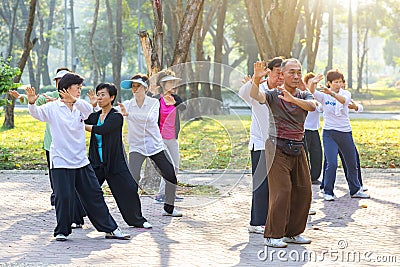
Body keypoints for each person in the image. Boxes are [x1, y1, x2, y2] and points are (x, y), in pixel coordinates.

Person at [27, 73, 130, 241]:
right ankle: (62, 230)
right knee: (64, 196)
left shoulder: (80, 107)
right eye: (77, 87)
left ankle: (111, 229)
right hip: (60, 160)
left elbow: (90, 110)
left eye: (80, 88)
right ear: (66, 89)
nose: (79, 91)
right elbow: (37, 113)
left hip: (81, 160)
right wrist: (31, 102)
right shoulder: (53, 108)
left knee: (95, 194)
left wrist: (74, 101)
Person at [250, 59, 316, 248]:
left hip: (298, 146)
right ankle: (272, 235)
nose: (296, 76)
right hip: (276, 147)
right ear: (282, 75)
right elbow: (257, 96)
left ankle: (292, 233)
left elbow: (312, 106)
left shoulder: (304, 94)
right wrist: (256, 79)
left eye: (298, 72)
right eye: (291, 72)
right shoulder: (273, 94)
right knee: (282, 191)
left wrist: (293, 99)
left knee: (304, 191)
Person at [9, 68, 86, 228]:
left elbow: (90, 111)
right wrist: (26, 99)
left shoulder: (78, 103)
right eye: (58, 81)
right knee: (60, 186)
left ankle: (77, 217)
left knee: (77, 187)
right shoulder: (50, 100)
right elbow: (36, 106)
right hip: (53, 147)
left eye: (63, 80)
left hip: (76, 155)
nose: (60, 84)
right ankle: (62, 217)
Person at [84, 82, 152, 229]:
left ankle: (137, 220)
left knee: (128, 188)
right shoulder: (95, 115)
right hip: (96, 162)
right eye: (98, 94)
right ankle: (75, 218)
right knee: (84, 189)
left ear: (112, 97)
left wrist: (82, 126)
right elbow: (80, 118)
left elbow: (101, 130)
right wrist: (92, 106)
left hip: (114, 163)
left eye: (103, 95)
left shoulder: (116, 116)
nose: (100, 97)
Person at [119, 74, 182, 217]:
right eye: (133, 87)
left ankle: (169, 209)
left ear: (145, 88)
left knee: (170, 176)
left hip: (154, 146)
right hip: (137, 147)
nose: (135, 89)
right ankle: (133, 213)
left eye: (138, 86)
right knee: (133, 179)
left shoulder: (154, 103)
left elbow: (150, 119)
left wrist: (129, 115)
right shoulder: (128, 104)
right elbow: (113, 113)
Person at [238, 57, 283, 235]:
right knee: (261, 184)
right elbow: (244, 93)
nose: (280, 76)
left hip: (281, 145)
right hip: (261, 144)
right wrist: (255, 78)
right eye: (277, 72)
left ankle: (276, 218)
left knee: (279, 185)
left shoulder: (285, 91)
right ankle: (257, 222)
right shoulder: (260, 89)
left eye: (283, 73)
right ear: (269, 72)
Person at [309, 71, 370, 201]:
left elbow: (344, 101)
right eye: (335, 82)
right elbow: (312, 92)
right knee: (331, 163)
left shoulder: (345, 93)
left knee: (351, 163)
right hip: (329, 133)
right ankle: (328, 191)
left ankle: (355, 190)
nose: (338, 84)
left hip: (345, 132)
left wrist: (331, 93)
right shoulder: (323, 96)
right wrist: (313, 83)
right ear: (329, 83)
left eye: (340, 81)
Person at [152, 70, 186, 204]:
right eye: (170, 82)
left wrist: (175, 103)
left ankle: (170, 193)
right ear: (163, 84)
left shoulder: (176, 98)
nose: (173, 85)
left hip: (172, 138)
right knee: (167, 167)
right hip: (160, 139)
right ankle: (161, 195)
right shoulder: (156, 99)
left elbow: (184, 108)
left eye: (173, 82)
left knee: (175, 166)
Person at [303, 72, 323, 185]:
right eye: (311, 82)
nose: (314, 84)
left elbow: (320, 108)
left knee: (317, 154)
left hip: (314, 129)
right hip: (304, 130)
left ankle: (314, 177)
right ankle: (305, 177)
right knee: (304, 155)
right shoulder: (302, 95)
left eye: (315, 82)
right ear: (306, 84)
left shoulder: (319, 96)